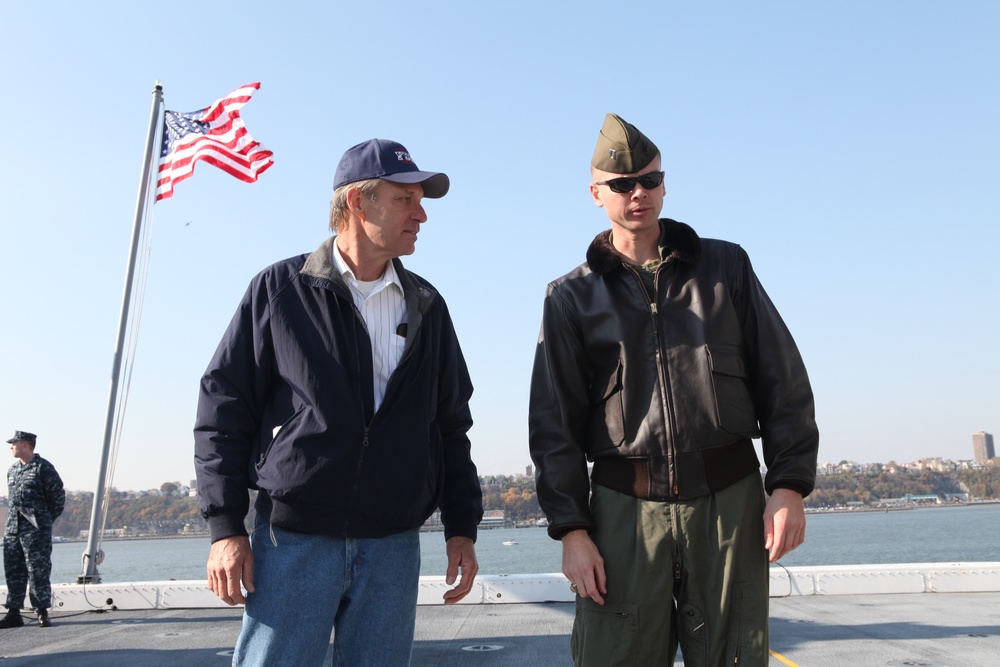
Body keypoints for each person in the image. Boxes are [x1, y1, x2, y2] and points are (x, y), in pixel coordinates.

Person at [528, 114, 819, 666]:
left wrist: (788, 486)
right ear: (596, 194)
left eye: (651, 180)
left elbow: (783, 379)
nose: (639, 194)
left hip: (728, 502)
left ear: (664, 183)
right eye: (621, 185)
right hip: (624, 512)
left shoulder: (725, 267)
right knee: (616, 655)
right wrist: (571, 530)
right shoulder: (570, 297)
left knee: (734, 654)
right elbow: (553, 424)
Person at [194, 138, 483, 666]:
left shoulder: (429, 305)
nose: (421, 216)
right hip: (294, 540)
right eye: (405, 200)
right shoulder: (279, 291)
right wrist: (226, 528)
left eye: (421, 202)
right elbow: (223, 410)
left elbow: (450, 425)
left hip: (394, 544)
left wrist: (462, 525)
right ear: (357, 202)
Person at [2, 430, 65, 630]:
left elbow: (57, 499)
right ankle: (14, 613)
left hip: (35, 530)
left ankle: (41, 611)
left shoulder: (43, 468)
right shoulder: (12, 470)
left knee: (38, 570)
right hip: (13, 528)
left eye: (15, 443)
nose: (11, 446)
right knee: (13, 571)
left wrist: (43, 521)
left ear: (26, 445)